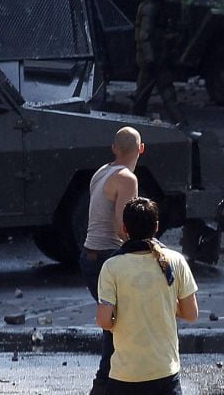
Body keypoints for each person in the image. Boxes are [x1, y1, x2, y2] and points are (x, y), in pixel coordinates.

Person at [97, 197, 198, 395]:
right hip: (164, 372)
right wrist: (164, 304)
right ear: (157, 227)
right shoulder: (175, 260)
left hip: (125, 376)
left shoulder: (112, 266)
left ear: (125, 228)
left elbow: (103, 320)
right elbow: (191, 314)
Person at [81, 126, 145, 395]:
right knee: (118, 328)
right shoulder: (127, 178)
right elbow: (123, 228)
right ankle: (104, 386)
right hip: (109, 258)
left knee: (113, 325)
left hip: (88, 256)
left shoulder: (101, 172)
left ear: (114, 148)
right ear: (141, 149)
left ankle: (110, 385)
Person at [132, 0, 186, 126]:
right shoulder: (150, 8)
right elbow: (144, 36)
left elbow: (156, 34)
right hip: (152, 62)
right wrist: (151, 59)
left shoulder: (156, 7)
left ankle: (181, 124)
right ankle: (132, 125)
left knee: (164, 94)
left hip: (157, 60)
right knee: (144, 97)